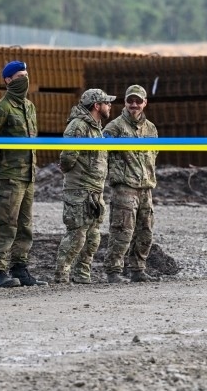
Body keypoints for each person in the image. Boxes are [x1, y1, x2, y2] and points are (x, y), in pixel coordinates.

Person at [0, 60, 47, 288]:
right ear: (8, 80)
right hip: (9, 176)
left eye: (26, 75)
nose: (24, 80)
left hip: (28, 176)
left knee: (25, 225)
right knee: (5, 223)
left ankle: (20, 267)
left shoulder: (29, 107)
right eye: (19, 77)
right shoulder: (1, 108)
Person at [53, 88, 115, 285]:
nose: (109, 106)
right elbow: (68, 156)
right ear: (97, 106)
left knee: (93, 236)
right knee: (77, 235)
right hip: (79, 189)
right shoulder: (78, 126)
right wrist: (69, 170)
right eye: (107, 103)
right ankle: (61, 276)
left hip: (96, 190)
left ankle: (82, 274)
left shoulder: (96, 128)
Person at [103, 85, 160, 283]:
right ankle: (113, 271)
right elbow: (102, 154)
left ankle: (138, 269)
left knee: (145, 231)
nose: (134, 105)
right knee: (122, 231)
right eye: (130, 101)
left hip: (145, 187)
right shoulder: (114, 127)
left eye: (138, 101)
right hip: (125, 187)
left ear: (145, 103)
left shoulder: (151, 128)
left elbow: (153, 155)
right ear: (125, 102)